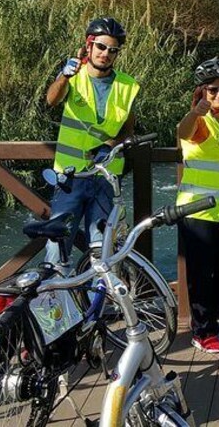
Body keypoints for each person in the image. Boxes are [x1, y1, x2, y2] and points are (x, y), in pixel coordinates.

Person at [45, 17, 139, 264]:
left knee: (102, 246)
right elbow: (52, 100)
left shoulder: (127, 86)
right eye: (100, 46)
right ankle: (56, 300)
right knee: (58, 244)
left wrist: (109, 146)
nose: (105, 54)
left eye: (112, 50)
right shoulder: (73, 75)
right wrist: (64, 76)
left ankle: (99, 300)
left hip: (105, 178)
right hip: (70, 177)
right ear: (89, 46)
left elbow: (128, 132)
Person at [177, 57, 219, 354]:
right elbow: (183, 131)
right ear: (202, 91)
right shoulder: (200, 118)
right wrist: (195, 111)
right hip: (197, 209)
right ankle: (203, 331)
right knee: (201, 276)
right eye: (213, 90)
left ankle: (209, 319)